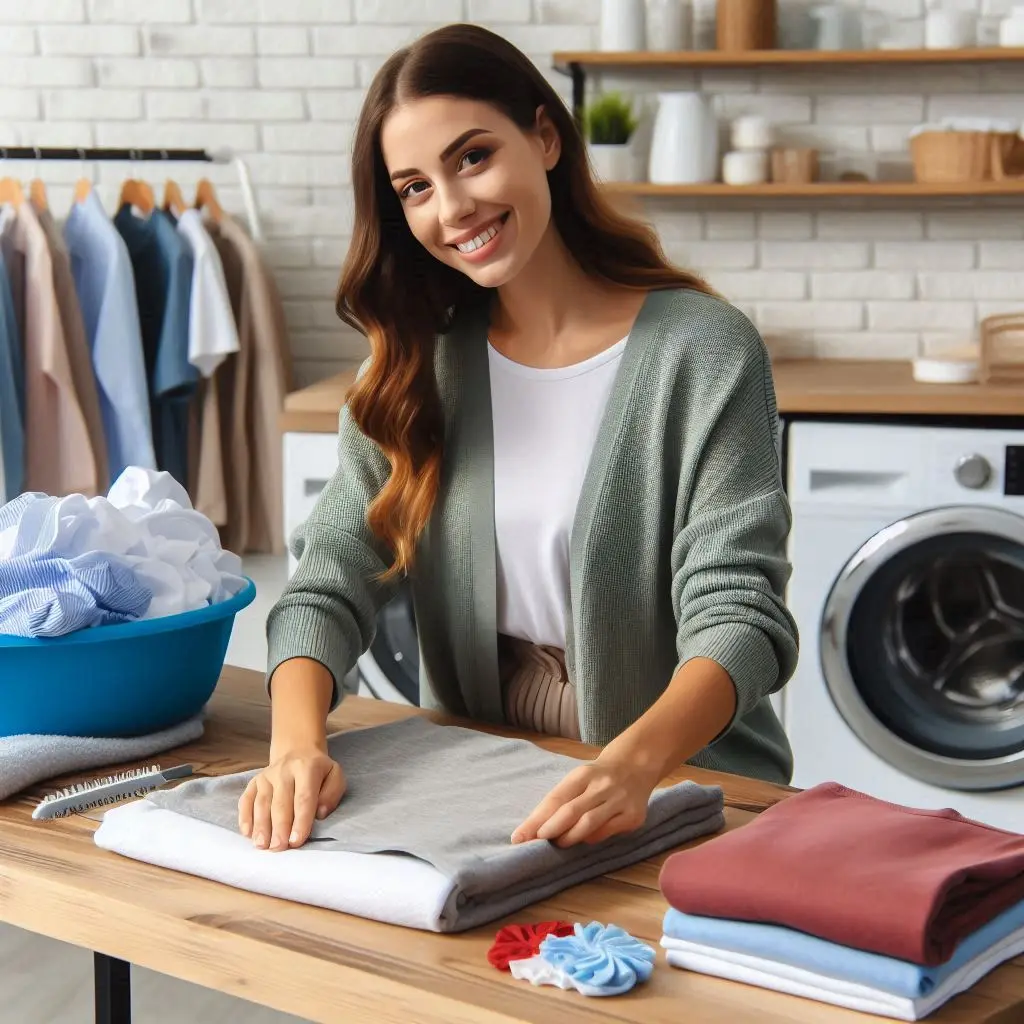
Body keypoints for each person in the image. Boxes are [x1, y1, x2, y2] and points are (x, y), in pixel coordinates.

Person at [237, 22, 799, 855]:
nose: (453, 207)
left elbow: (740, 614)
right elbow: (328, 582)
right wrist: (295, 748)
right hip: (480, 782)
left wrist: (632, 766)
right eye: (415, 187)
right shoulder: (415, 366)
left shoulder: (702, 350)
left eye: (471, 157)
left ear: (544, 136)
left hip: (684, 785)